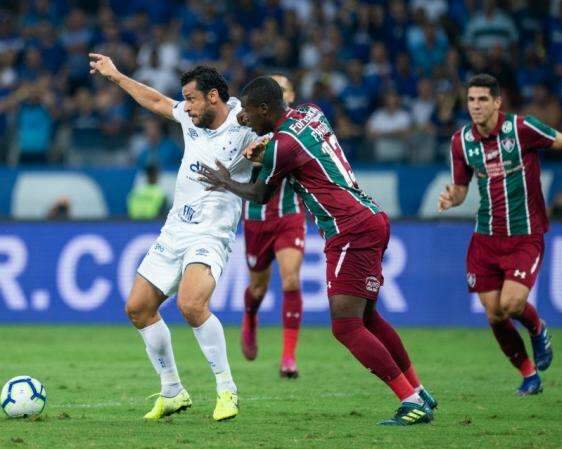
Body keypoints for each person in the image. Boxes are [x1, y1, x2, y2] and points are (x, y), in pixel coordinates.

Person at [199, 76, 437, 426]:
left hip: (349, 230)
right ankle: (418, 390)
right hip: (369, 216)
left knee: (346, 327)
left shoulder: (282, 146)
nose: (245, 118)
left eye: (249, 112)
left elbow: (262, 194)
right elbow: (291, 146)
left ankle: (410, 400)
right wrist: (265, 146)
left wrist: (225, 181)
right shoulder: (311, 113)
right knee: (368, 318)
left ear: (265, 109)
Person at [89, 53, 257, 421]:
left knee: (192, 304)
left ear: (213, 96)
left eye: (192, 99)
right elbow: (154, 100)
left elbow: (280, 134)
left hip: (212, 231)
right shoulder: (190, 118)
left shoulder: (247, 125)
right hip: (176, 228)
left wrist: (262, 151)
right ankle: (172, 391)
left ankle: (227, 390)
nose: (187, 106)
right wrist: (115, 75)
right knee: (137, 308)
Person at [438, 74, 562, 396]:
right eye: (471, 100)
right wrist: (452, 198)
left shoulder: (521, 129)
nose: (475, 106)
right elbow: (461, 189)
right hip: (485, 237)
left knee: (513, 303)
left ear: (497, 102)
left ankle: (538, 328)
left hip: (525, 234)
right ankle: (529, 374)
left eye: (482, 100)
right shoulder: (460, 142)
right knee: (494, 313)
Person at [241, 74, 306, 378]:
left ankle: (288, 357)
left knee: (291, 280)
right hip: (256, 216)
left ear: (289, 96)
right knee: (258, 288)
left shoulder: (299, 130)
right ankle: (250, 318)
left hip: (289, 214)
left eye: (285, 88)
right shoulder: (249, 127)